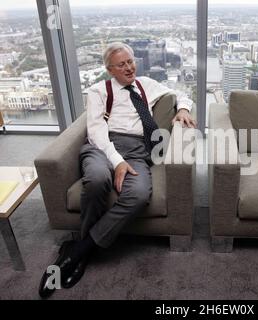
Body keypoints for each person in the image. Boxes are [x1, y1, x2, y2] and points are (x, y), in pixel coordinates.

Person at [39, 42, 196, 298]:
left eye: (131, 61)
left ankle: (79, 251)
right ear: (109, 69)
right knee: (98, 178)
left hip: (136, 151)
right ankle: (80, 254)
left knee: (139, 194)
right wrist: (116, 161)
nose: (129, 67)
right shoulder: (98, 91)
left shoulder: (146, 84)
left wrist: (183, 108)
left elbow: (181, 93)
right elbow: (96, 131)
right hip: (103, 147)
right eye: (121, 64)